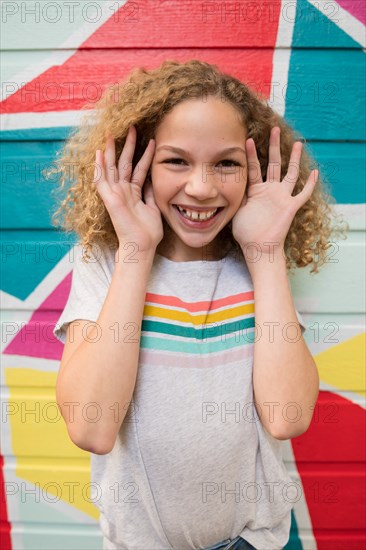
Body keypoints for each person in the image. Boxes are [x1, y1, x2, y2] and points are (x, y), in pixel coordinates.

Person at [51, 60, 346, 550]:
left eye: (226, 163)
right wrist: (136, 252)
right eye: (176, 161)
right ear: (136, 163)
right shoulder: (105, 262)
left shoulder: (256, 260)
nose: (203, 187)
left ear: (252, 171)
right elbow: (92, 425)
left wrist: (267, 254)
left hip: (255, 541)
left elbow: (287, 415)